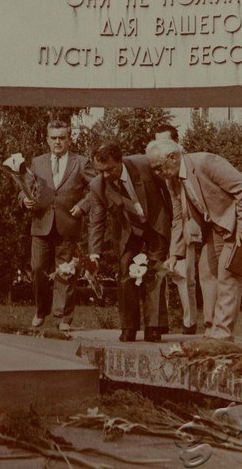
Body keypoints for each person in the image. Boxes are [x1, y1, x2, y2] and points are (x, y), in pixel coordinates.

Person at [146, 138, 242, 342]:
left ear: (173, 157)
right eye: (154, 169)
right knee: (206, 271)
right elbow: (178, 218)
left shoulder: (206, 162)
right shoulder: (171, 181)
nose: (158, 173)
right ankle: (211, 328)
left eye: (159, 167)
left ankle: (223, 333)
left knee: (229, 274)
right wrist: (175, 254)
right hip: (217, 225)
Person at [88, 143, 172, 342]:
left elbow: (169, 190)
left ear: (120, 161)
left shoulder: (145, 165)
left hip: (156, 224)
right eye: (100, 171)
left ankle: (154, 326)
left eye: (110, 169)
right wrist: (94, 254)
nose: (105, 175)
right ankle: (128, 327)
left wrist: (175, 221)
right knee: (125, 272)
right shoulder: (97, 186)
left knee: (154, 271)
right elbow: (96, 221)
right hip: (128, 231)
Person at [21, 119, 95, 331]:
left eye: (62, 138)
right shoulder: (37, 162)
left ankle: (63, 318)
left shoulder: (81, 162)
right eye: (53, 138)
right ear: (47, 140)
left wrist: (83, 206)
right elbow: (25, 187)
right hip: (41, 224)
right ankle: (41, 310)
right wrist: (24, 200)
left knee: (66, 272)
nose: (57, 142)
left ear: (70, 139)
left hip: (68, 224)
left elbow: (97, 187)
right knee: (37, 270)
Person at [152, 124, 201, 335]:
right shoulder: (154, 164)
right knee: (161, 273)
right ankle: (159, 322)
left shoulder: (186, 165)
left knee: (185, 274)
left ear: (176, 142)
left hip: (187, 223)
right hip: (162, 223)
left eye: (166, 141)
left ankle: (190, 322)